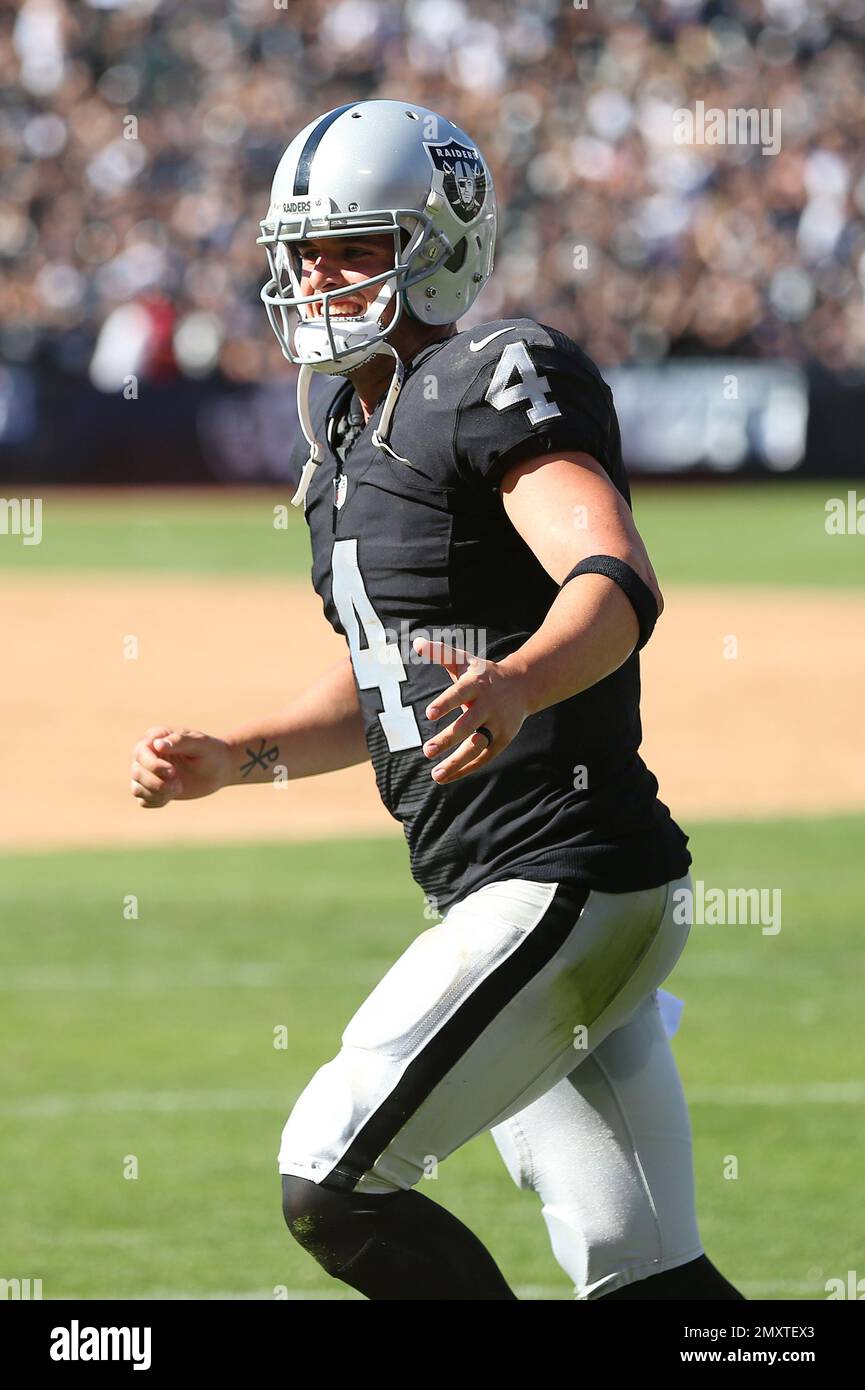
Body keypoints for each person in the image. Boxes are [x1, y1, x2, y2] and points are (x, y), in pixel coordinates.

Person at [130, 99, 744, 1302]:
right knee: (648, 1287)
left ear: (437, 242)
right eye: (302, 252)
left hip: (557, 875)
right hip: (555, 893)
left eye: (353, 245)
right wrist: (239, 755)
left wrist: (518, 680)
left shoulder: (486, 377)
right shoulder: (343, 435)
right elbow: (385, 677)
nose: (316, 275)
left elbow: (612, 580)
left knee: (331, 1175)